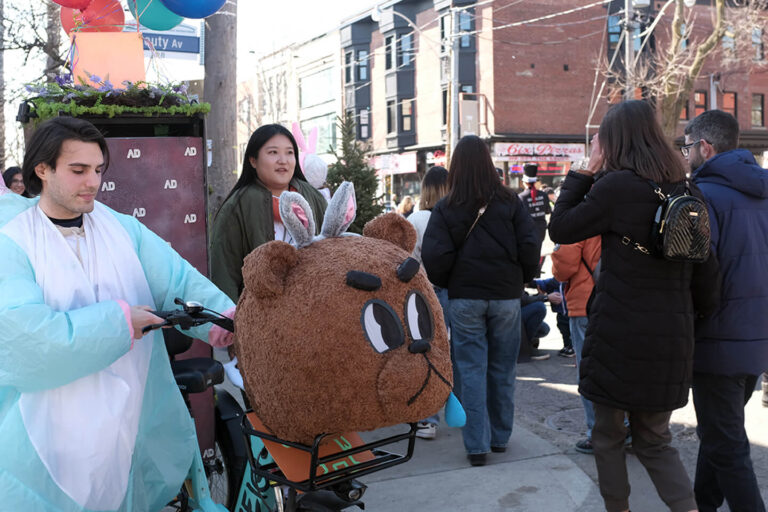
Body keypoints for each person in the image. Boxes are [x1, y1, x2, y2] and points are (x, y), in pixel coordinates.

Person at [0, 117, 235, 511]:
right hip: (49, 435)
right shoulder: (12, 245)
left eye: (97, 170)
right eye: (78, 170)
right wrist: (121, 324)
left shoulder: (122, 229)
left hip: (128, 419)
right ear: (42, 169)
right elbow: (28, 342)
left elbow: (177, 279)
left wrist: (222, 318)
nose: (93, 182)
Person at [549, 100, 720, 512]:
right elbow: (707, 274)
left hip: (617, 337)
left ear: (612, 141)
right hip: (670, 338)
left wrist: (586, 168)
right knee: (656, 440)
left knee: (608, 436)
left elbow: (561, 227)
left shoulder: (615, 187)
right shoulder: (686, 189)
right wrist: (692, 323)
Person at [422, 135, 539, 467]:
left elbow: (434, 255)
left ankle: (477, 446)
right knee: (503, 368)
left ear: (456, 167)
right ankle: (501, 437)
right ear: (489, 164)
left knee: (470, 369)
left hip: (465, 298)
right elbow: (530, 246)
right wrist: (522, 277)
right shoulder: (512, 203)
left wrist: (450, 281)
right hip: (505, 297)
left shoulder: (446, 208)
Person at [683, 109, 768, 512]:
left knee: (728, 445)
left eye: (687, 147)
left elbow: (701, 274)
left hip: (718, 340)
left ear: (705, 147)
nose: (685, 156)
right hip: (755, 340)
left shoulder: (704, 197)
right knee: (720, 434)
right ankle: (704, 503)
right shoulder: (763, 191)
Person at [210, 123, 327, 302]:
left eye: (289, 152)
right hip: (261, 314)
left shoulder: (312, 197)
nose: (283, 160)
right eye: (273, 152)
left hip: (313, 309)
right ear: (253, 160)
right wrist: (232, 322)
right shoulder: (238, 206)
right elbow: (223, 273)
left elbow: (334, 249)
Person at [408, 165, 450, 440]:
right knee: (456, 355)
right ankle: (463, 411)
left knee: (426, 355)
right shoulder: (456, 215)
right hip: (453, 292)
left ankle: (427, 419)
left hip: (423, 294)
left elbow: (408, 258)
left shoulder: (416, 219)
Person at [551, 236, 601, 454]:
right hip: (617, 303)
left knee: (589, 372)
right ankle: (626, 426)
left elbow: (563, 269)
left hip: (585, 304)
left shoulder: (581, 221)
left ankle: (597, 434)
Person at [518, 163, 551, 275]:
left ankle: (531, 273)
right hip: (541, 229)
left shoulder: (521, 197)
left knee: (528, 252)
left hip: (528, 229)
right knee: (538, 250)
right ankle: (537, 271)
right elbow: (547, 211)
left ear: (524, 182)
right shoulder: (543, 195)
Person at [534, 276, 574, 358]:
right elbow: (543, 283)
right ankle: (567, 346)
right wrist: (532, 283)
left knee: (573, 330)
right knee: (563, 329)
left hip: (573, 312)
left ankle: (573, 347)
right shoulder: (556, 281)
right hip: (561, 312)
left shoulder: (575, 280)